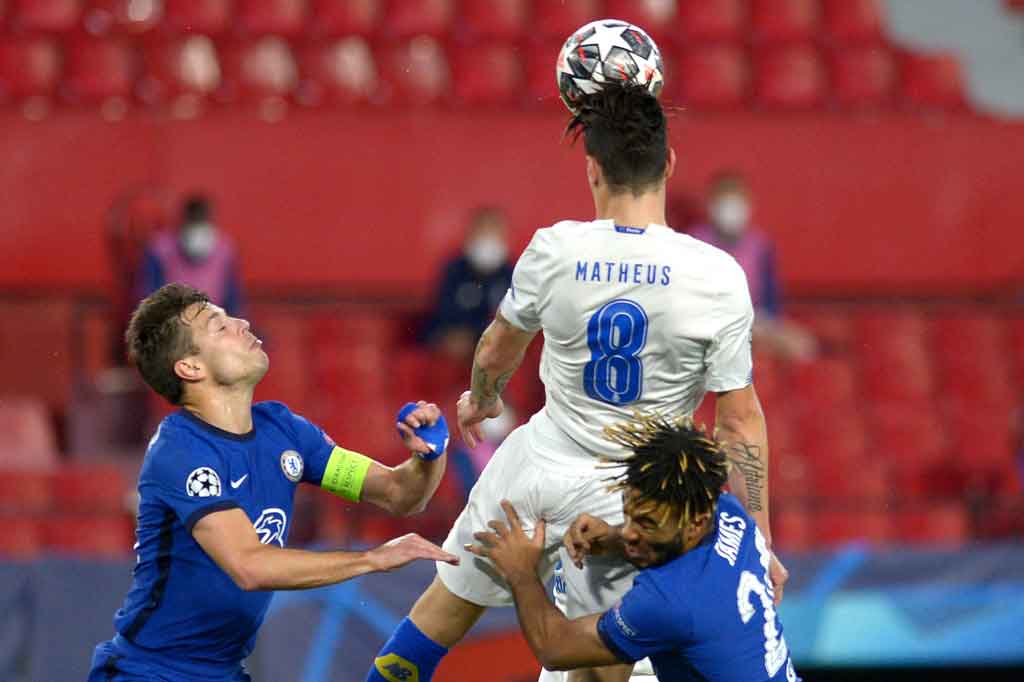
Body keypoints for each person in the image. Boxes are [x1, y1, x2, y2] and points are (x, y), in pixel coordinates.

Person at [365, 83, 784, 682]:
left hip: (540, 461)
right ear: (668, 163)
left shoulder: (554, 249)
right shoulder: (717, 275)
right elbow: (738, 419)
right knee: (602, 664)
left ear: (592, 169)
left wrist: (481, 399)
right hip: (641, 494)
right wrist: (760, 539)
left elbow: (496, 348)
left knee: (440, 614)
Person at [87, 283, 457, 682]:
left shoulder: (285, 430)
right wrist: (371, 558)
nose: (242, 323)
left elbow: (401, 495)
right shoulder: (180, 449)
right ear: (190, 367)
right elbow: (249, 565)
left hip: (224, 673)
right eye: (219, 325)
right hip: (149, 673)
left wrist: (428, 455)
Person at [468, 415, 800, 682]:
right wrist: (612, 539)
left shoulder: (670, 602)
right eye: (628, 515)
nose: (629, 533)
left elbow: (555, 649)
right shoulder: (728, 511)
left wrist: (522, 571)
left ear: (695, 522)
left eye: (646, 524)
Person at [689, 173, 816, 361]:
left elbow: (770, 298)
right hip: (708, 323)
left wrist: (764, 324)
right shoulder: (693, 242)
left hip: (754, 324)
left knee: (801, 346)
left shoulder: (760, 245)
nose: (731, 211)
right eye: (724, 203)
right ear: (711, 206)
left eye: (736, 202)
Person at [422, 206, 514, 362]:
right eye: (483, 232)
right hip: (456, 349)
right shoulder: (454, 270)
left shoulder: (513, 275)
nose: (487, 239)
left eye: (493, 232)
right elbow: (442, 312)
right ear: (471, 234)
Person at [139, 194, 244, 317]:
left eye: (202, 221)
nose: (198, 230)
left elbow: (232, 297)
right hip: (172, 322)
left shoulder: (225, 249)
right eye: (194, 221)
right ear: (183, 221)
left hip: (212, 321)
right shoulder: (160, 248)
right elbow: (149, 294)